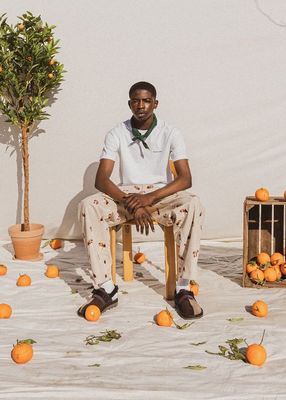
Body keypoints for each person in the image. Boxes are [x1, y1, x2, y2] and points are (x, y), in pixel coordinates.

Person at [77, 81, 205, 319]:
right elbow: (101, 179)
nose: (141, 105)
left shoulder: (171, 132)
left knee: (193, 204)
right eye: (135, 100)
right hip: (127, 196)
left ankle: (184, 288)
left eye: (146, 100)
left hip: (159, 196)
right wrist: (130, 202)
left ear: (155, 104)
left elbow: (186, 178)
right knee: (88, 206)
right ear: (129, 104)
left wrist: (148, 199)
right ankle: (105, 288)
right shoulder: (116, 132)